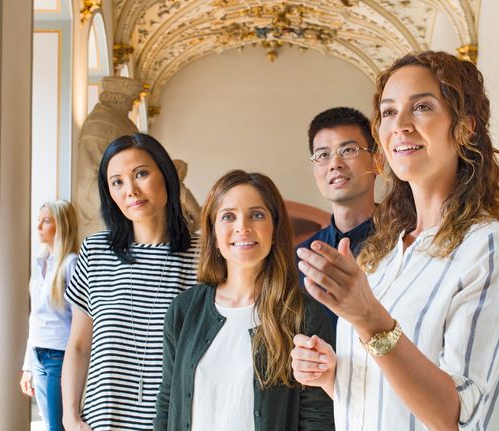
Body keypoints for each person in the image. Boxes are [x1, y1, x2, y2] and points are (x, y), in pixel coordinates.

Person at [291, 50, 499, 430]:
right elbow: (390, 403)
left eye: (421, 107)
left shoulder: (489, 247)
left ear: (465, 127)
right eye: (388, 112)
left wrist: (369, 319)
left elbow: (455, 415)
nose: (399, 125)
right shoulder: (381, 254)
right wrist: (332, 377)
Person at [154, 170, 334, 431]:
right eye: (228, 216)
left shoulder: (304, 316)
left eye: (257, 215)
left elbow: (317, 419)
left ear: (274, 229)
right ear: (214, 234)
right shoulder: (183, 310)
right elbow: (167, 399)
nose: (243, 227)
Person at [62, 133, 200, 431]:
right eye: (117, 182)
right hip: (104, 421)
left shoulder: (204, 254)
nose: (131, 190)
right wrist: (70, 417)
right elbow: (78, 346)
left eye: (141, 174)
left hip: (179, 420)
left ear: (165, 174)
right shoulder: (95, 250)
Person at [297, 107, 377, 327]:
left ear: (376, 160)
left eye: (348, 150)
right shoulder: (302, 259)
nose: (335, 164)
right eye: (323, 155)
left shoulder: (407, 240)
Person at [20, 200, 79, 431]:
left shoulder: (71, 264)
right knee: (49, 425)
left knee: (58, 426)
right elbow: (34, 317)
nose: (38, 227)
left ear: (61, 226)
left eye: (45, 221)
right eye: (39, 220)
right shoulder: (40, 264)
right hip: (38, 354)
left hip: (59, 357)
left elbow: (80, 321)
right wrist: (27, 366)